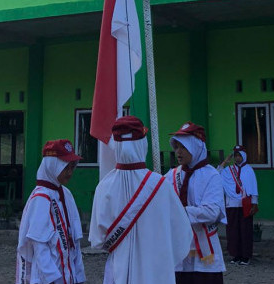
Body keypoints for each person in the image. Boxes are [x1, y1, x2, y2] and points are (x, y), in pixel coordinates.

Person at [89, 116, 193, 284]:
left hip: (118, 271)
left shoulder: (104, 186)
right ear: (142, 144)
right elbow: (182, 235)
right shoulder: (161, 186)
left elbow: (97, 240)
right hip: (155, 273)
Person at [16, 139, 86, 284]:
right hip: (48, 277)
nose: (70, 172)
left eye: (72, 167)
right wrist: (52, 277)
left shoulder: (65, 194)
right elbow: (38, 243)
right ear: (52, 165)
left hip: (68, 273)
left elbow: (75, 240)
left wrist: (79, 275)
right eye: (65, 167)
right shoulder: (41, 198)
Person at [166, 122, 226, 284]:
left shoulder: (211, 175)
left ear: (196, 147)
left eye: (183, 147)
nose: (178, 152)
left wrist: (179, 213)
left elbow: (213, 211)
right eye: (176, 146)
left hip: (204, 246)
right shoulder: (171, 176)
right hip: (178, 246)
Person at [217, 145, 258, 265]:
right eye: (235, 155)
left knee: (245, 230)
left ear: (244, 156)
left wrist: (254, 204)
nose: (237, 158)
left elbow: (253, 187)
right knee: (233, 231)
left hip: (245, 204)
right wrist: (225, 161)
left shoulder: (249, 170)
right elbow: (217, 173)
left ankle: (246, 256)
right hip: (231, 204)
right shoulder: (228, 170)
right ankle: (235, 255)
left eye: (239, 155)